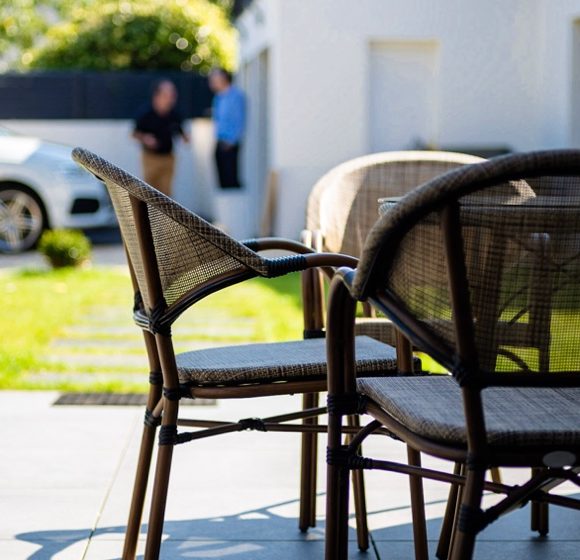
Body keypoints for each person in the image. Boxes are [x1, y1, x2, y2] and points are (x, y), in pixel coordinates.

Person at [133, 79, 189, 197]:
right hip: (150, 158)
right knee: (149, 192)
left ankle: (164, 216)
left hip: (169, 158)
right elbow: (134, 134)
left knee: (166, 194)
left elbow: (180, 131)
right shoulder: (145, 113)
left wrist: (185, 137)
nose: (171, 98)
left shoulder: (174, 114)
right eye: (167, 95)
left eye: (172, 95)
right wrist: (146, 138)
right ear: (157, 96)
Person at [209, 68, 246, 189]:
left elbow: (239, 119)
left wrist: (232, 141)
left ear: (223, 79)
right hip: (219, 141)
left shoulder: (236, 96)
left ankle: (235, 207)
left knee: (231, 179)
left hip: (230, 144)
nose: (211, 83)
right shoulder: (218, 98)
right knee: (222, 181)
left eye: (214, 79)